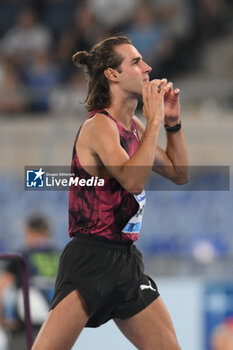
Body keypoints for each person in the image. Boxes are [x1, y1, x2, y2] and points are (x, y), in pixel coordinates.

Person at [32, 35, 189, 350]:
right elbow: (133, 181)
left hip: (126, 261)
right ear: (112, 74)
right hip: (90, 259)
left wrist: (172, 123)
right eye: (135, 62)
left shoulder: (133, 127)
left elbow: (179, 173)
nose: (148, 67)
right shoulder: (99, 127)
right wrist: (155, 118)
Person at [0, 214, 60, 349]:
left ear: (31, 232)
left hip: (26, 331)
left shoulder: (21, 256)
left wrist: (3, 320)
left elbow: (3, 285)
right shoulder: (61, 256)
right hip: (59, 327)